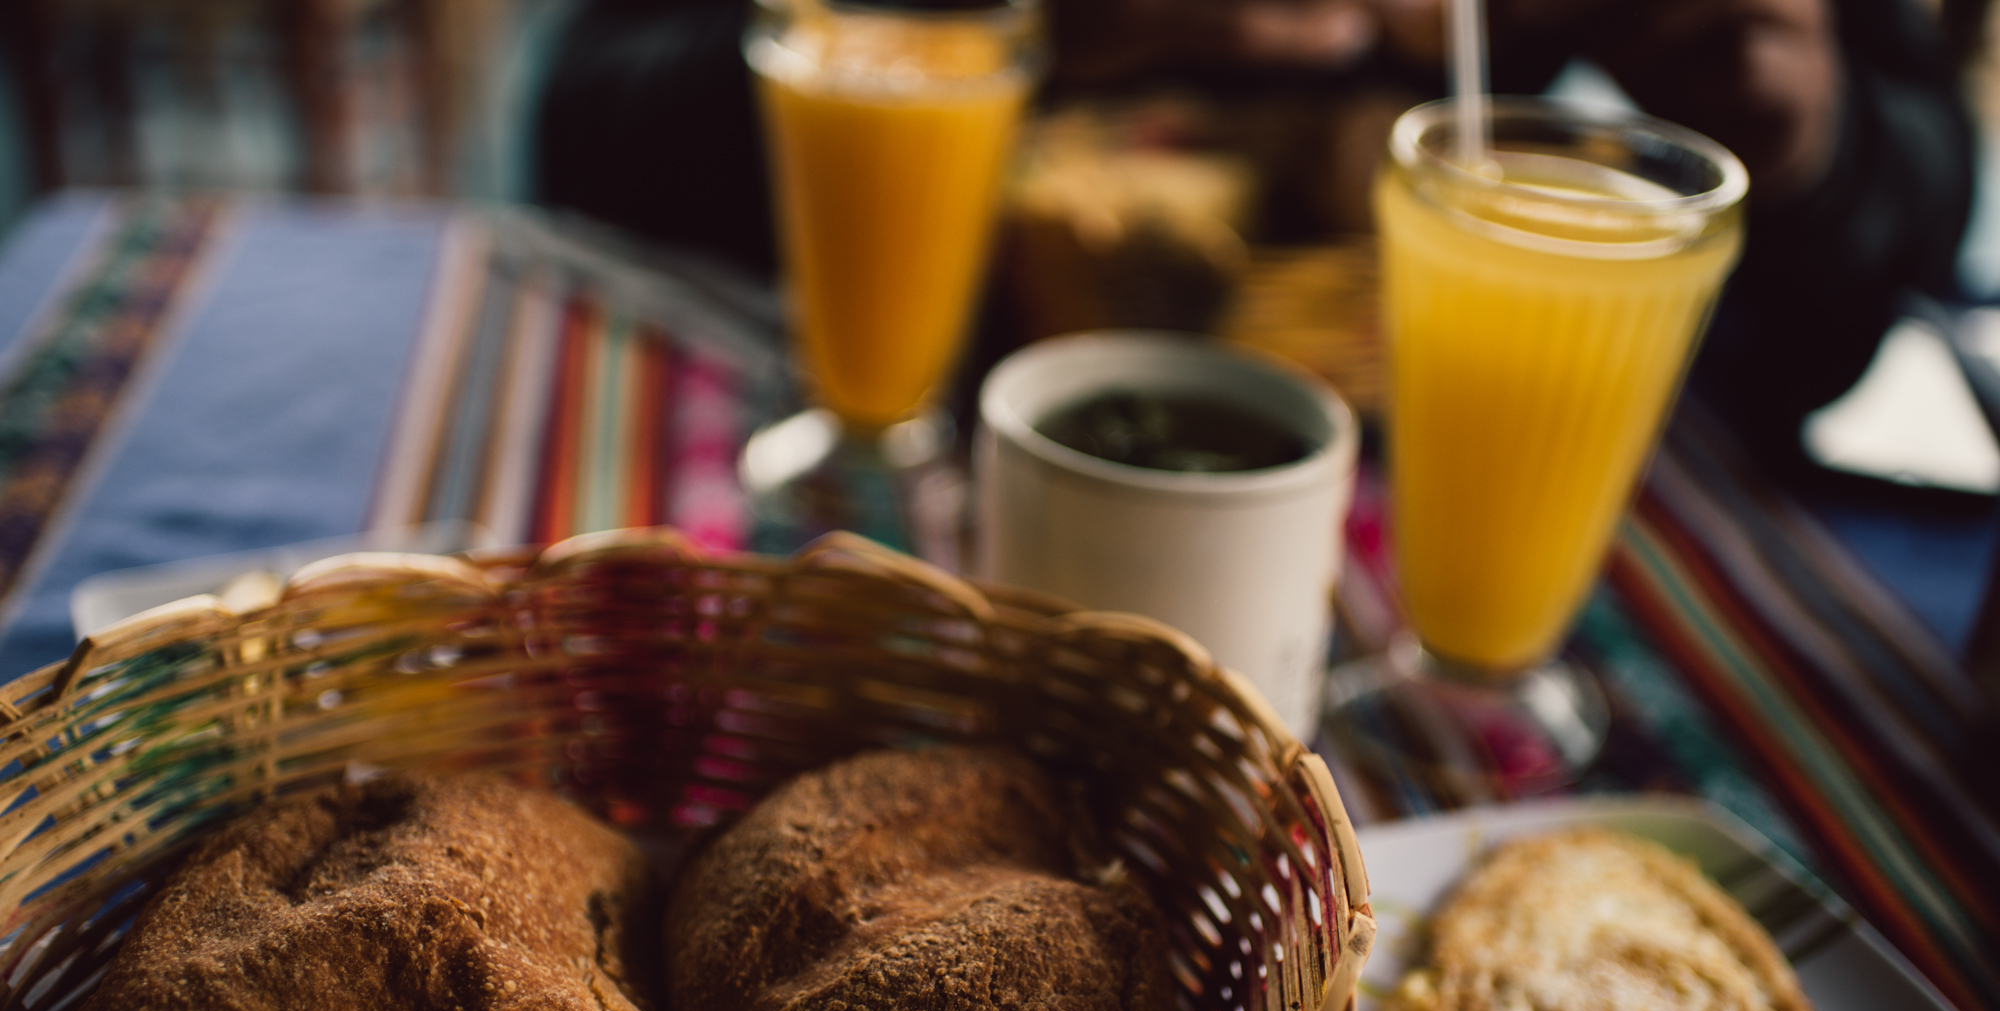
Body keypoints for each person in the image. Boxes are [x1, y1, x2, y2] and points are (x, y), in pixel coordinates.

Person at [531, 0, 1977, 458]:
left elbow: (1886, 242)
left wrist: (1807, 138)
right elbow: (590, 119)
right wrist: (1053, 23)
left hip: (1472, 475)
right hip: (914, 442)